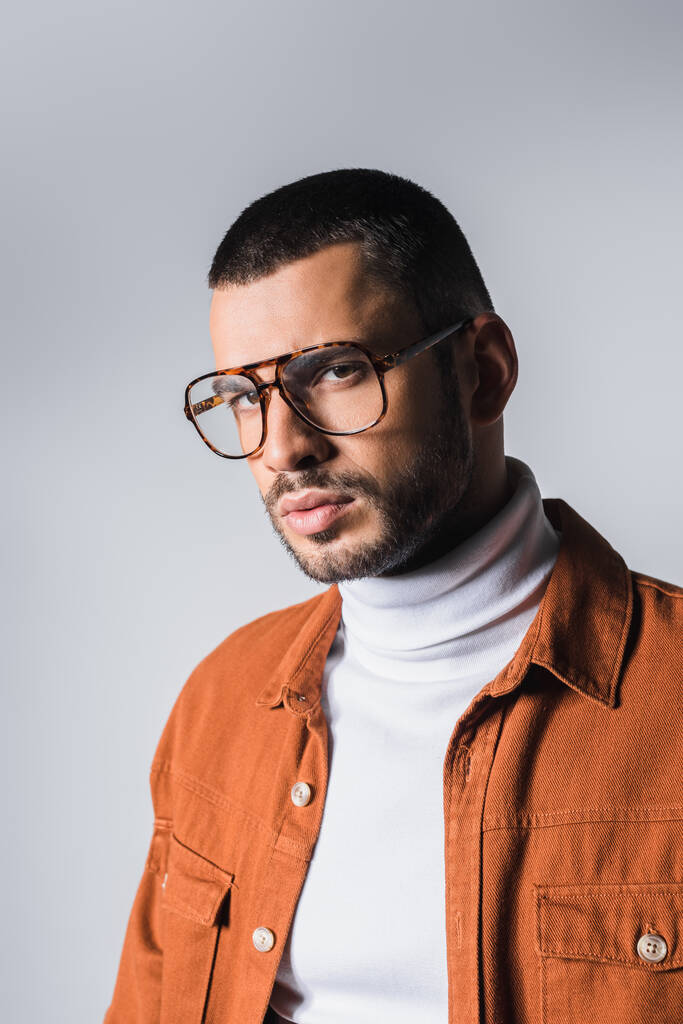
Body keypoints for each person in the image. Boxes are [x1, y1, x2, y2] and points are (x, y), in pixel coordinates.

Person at [104, 169, 682, 1024]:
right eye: (241, 397)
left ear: (482, 372)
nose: (283, 447)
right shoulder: (222, 699)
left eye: (334, 371)